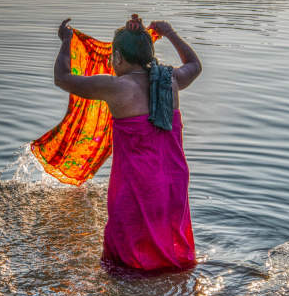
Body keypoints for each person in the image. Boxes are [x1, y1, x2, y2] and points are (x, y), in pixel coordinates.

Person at [54, 15, 202, 272]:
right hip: (174, 180)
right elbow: (195, 65)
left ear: (119, 58)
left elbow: (63, 78)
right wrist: (170, 33)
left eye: (113, 57)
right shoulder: (171, 80)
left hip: (137, 184)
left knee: (126, 265)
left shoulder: (116, 86)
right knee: (170, 248)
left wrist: (66, 41)